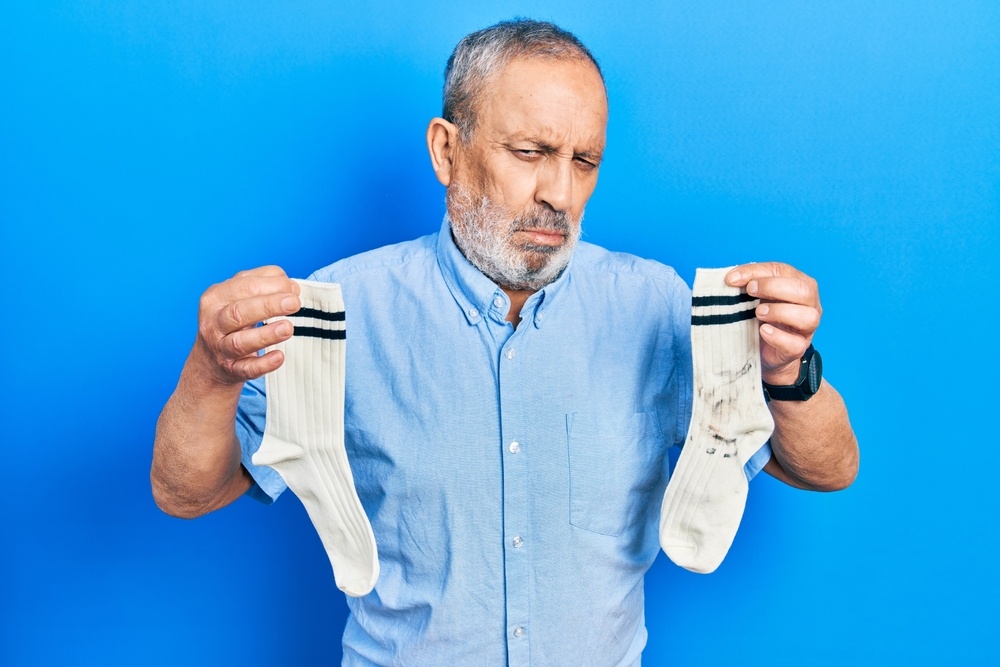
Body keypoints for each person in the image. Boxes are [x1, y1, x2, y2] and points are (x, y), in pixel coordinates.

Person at [151, 19, 858, 666]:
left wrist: (787, 370)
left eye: (585, 161)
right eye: (531, 152)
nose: (561, 192)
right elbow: (186, 491)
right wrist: (211, 371)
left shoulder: (655, 304)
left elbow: (828, 467)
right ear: (446, 151)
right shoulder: (339, 310)